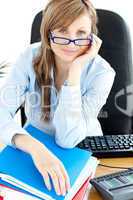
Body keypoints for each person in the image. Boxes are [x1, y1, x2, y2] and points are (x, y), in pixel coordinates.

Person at [0, 0, 116, 197]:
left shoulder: (102, 73)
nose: (71, 43)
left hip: (81, 147)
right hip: (34, 141)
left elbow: (67, 139)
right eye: (62, 31)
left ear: (92, 36)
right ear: (48, 32)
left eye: (81, 33)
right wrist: (36, 148)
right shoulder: (29, 56)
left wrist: (74, 72)